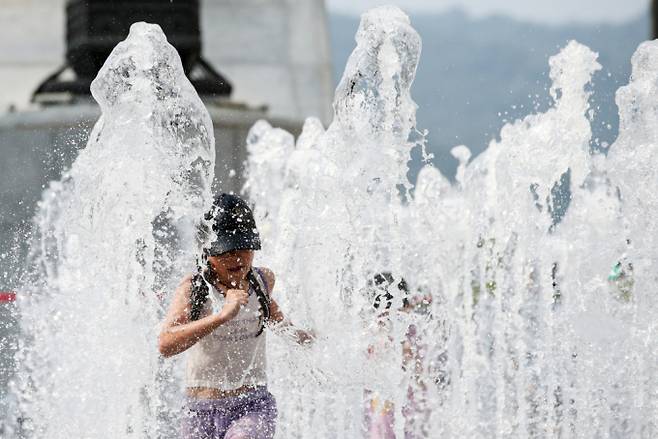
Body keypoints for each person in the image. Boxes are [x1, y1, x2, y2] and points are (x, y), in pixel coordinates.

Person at [158, 193, 312, 439]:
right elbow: (165, 344)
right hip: (200, 410)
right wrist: (220, 316)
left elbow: (282, 326)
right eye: (226, 251)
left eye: (244, 248)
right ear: (207, 253)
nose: (237, 258)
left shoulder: (262, 282)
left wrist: (315, 339)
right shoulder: (194, 289)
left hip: (252, 405)